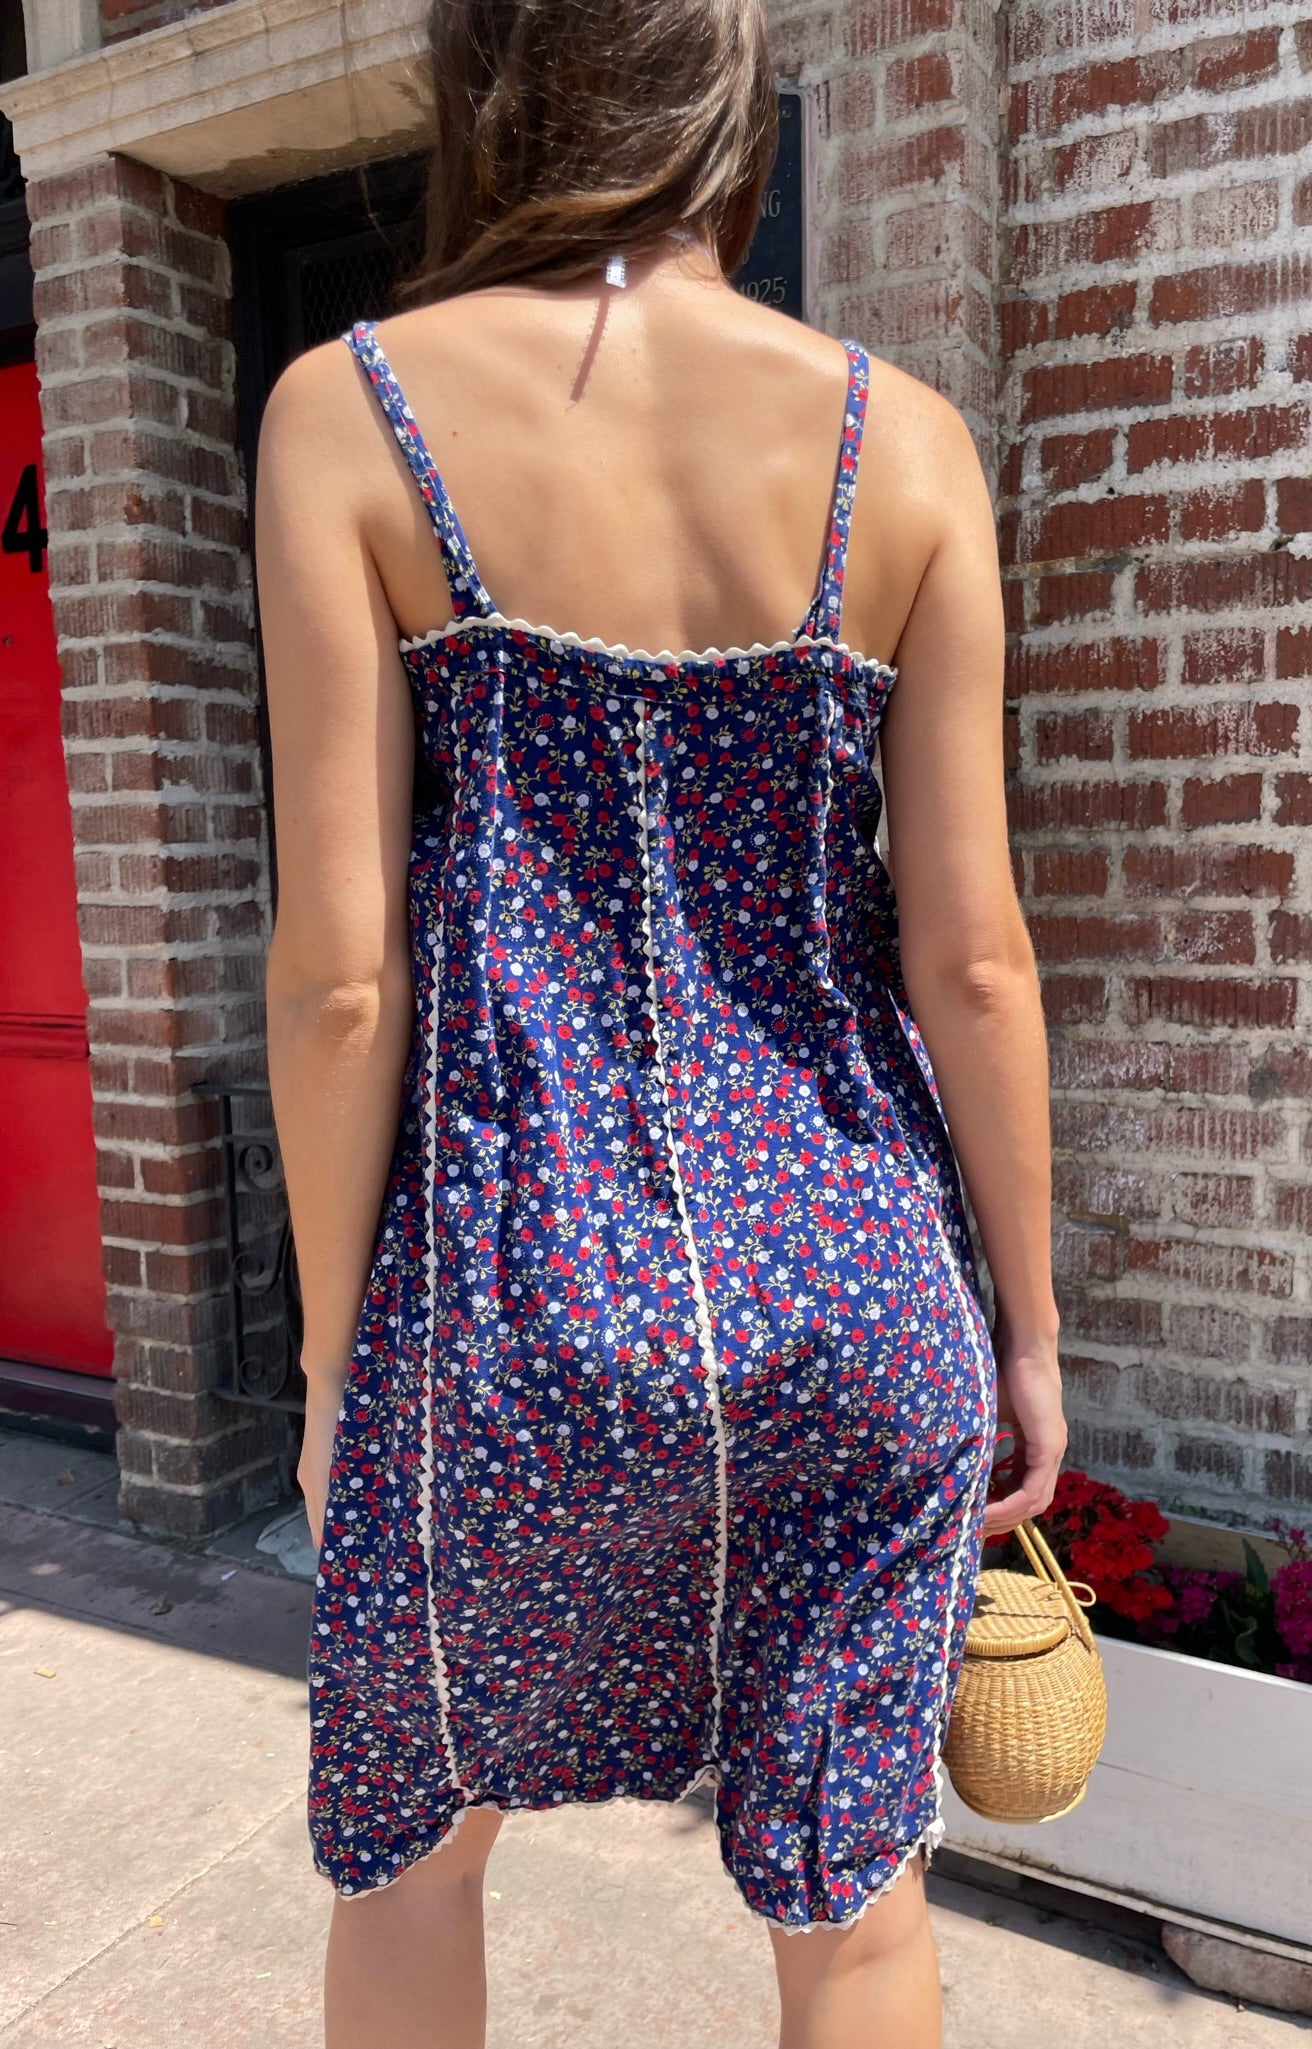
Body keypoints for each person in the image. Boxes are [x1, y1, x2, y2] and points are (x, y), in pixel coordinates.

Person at [254, 3, 1065, 2043]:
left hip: (516, 1290)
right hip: (854, 1275)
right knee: (853, 1892)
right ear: (729, 99)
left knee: (416, 1849)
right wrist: (1030, 1328)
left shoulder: (347, 414)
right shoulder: (910, 440)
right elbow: (974, 955)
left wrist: (343, 1359)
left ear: (485, 87)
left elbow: (342, 971)